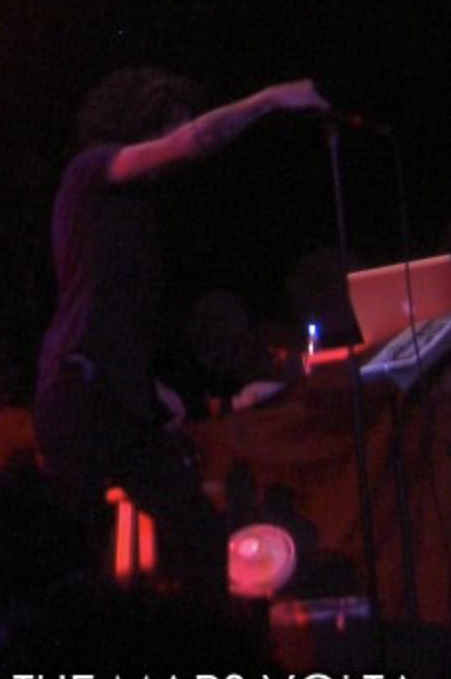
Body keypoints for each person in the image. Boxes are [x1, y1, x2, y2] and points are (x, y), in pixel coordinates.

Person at [33, 69, 328, 595]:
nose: (182, 137)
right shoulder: (91, 169)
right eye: (172, 123)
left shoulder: (133, 212)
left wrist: (147, 390)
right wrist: (270, 98)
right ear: (144, 123)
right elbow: (192, 142)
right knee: (67, 555)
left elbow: (113, 312)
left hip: (118, 401)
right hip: (79, 393)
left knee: (201, 536)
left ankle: (199, 643)